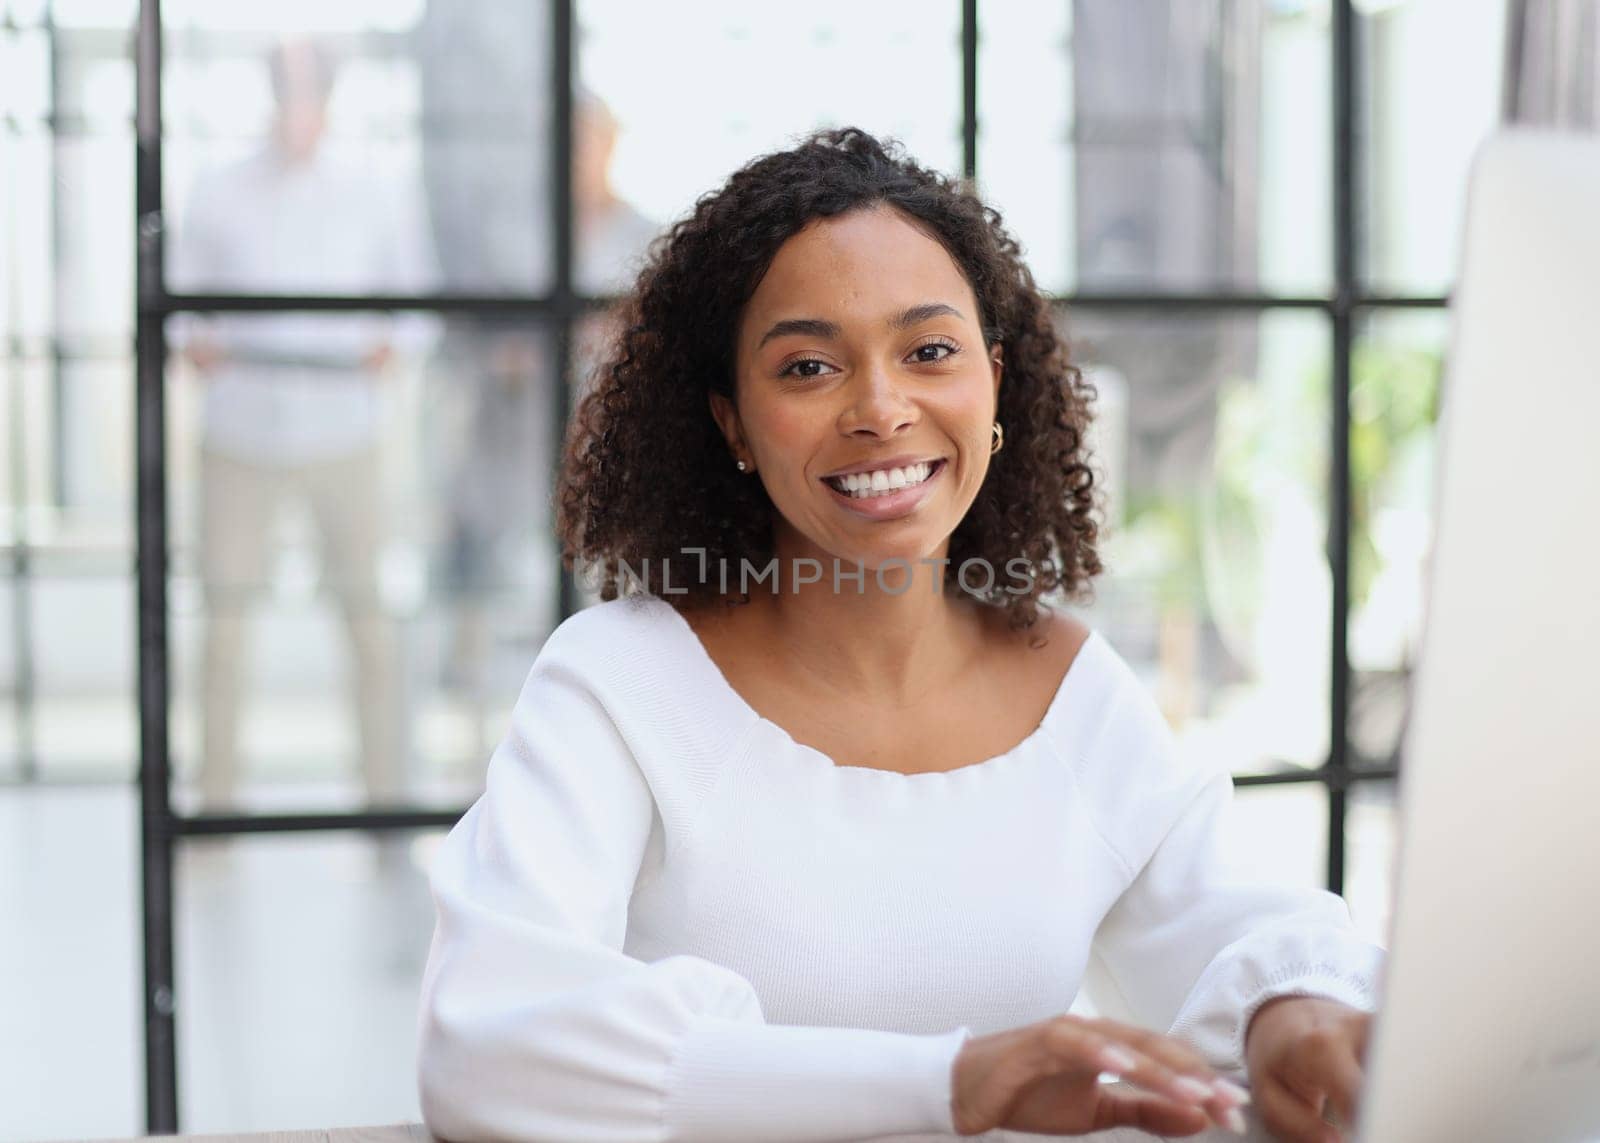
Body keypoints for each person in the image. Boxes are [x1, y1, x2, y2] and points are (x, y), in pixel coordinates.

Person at [415, 128, 1383, 1142]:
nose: (881, 409)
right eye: (806, 367)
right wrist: (950, 1083)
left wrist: (1295, 1008)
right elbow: (490, 1043)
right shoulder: (620, 685)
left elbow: (1245, 921)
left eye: (929, 351)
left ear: (994, 383)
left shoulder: (1073, 694)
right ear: (732, 422)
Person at [170, 38, 438, 812]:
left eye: (308, 94)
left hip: (343, 436)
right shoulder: (220, 191)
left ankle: (384, 801)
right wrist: (198, 343)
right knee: (224, 626)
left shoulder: (373, 192)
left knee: (367, 624)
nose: (297, 113)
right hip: (240, 437)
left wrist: (390, 346)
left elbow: (415, 308)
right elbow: (181, 306)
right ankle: (215, 808)